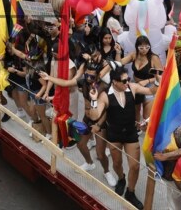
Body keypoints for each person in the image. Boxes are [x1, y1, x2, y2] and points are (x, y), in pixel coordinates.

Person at [86, 66, 158, 209]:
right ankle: (121, 179)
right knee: (117, 164)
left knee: (135, 166)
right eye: (124, 80)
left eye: (128, 79)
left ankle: (130, 192)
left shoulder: (131, 87)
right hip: (114, 135)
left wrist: (157, 80)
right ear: (114, 81)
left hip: (130, 133)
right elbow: (95, 116)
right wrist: (94, 100)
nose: (127, 82)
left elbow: (151, 91)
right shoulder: (104, 95)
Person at [42, 59, 117, 187]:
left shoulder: (103, 87)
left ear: (98, 75)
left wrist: (98, 125)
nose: (88, 77)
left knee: (100, 153)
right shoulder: (83, 82)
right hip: (87, 119)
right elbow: (66, 83)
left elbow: (106, 111)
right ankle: (89, 163)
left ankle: (107, 171)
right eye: (86, 74)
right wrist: (50, 78)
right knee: (80, 144)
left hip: (101, 122)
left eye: (91, 76)